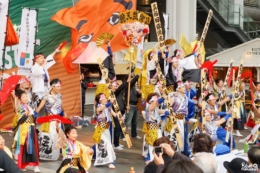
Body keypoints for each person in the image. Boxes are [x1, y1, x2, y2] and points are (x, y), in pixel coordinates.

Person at [36, 78, 67, 161]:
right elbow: (40, 107)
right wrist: (33, 114)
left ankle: (59, 153)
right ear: (52, 86)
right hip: (50, 120)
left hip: (59, 119)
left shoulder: (59, 95)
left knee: (60, 136)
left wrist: (64, 113)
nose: (59, 88)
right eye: (58, 86)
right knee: (51, 137)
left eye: (60, 86)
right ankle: (49, 154)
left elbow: (61, 105)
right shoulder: (46, 96)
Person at [12, 90, 40, 172]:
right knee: (23, 147)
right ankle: (23, 165)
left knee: (33, 146)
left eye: (26, 96)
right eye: (23, 97)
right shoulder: (19, 107)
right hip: (24, 129)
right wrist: (14, 96)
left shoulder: (29, 106)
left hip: (31, 128)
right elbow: (16, 105)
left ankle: (35, 165)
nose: (25, 98)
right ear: (19, 99)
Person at [142, 93, 169, 163]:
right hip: (152, 130)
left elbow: (161, 113)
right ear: (150, 101)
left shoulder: (156, 109)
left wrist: (167, 113)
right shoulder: (149, 108)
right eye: (155, 100)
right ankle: (152, 161)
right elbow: (156, 103)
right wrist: (163, 98)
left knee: (158, 145)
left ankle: (157, 160)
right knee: (153, 146)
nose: (156, 102)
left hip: (157, 129)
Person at [92, 93, 116, 169]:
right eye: (103, 99)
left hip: (106, 129)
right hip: (100, 129)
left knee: (101, 145)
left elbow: (114, 114)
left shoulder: (108, 107)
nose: (105, 99)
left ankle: (93, 154)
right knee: (107, 144)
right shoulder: (98, 107)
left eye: (105, 98)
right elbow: (101, 108)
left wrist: (120, 117)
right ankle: (110, 162)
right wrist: (110, 103)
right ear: (100, 101)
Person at [124, 71, 142, 140]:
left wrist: (139, 94)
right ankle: (124, 135)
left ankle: (134, 134)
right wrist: (138, 75)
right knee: (127, 122)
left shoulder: (133, 87)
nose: (132, 78)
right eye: (131, 77)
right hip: (130, 105)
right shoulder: (127, 85)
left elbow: (137, 96)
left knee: (135, 122)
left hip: (135, 106)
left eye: (132, 77)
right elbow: (132, 82)